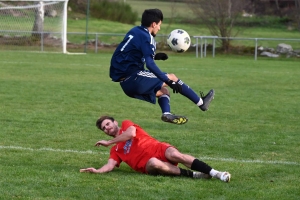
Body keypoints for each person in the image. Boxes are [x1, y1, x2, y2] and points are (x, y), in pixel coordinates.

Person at [109, 8, 215, 125]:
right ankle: (202, 103)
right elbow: (149, 65)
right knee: (172, 77)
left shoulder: (134, 31)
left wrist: (155, 56)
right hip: (133, 78)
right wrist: (168, 81)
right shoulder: (148, 38)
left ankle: (167, 114)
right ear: (154, 24)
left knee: (164, 91)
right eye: (159, 25)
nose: (159, 28)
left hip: (126, 84)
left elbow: (128, 54)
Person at [80, 116, 231, 182]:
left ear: (115, 122)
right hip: (148, 164)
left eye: (107, 124)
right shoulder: (115, 150)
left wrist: (109, 142)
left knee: (175, 154)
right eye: (104, 128)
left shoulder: (126, 124)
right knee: (154, 162)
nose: (107, 128)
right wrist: (97, 171)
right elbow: (110, 165)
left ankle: (216, 173)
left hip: (158, 148)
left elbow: (131, 133)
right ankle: (194, 175)